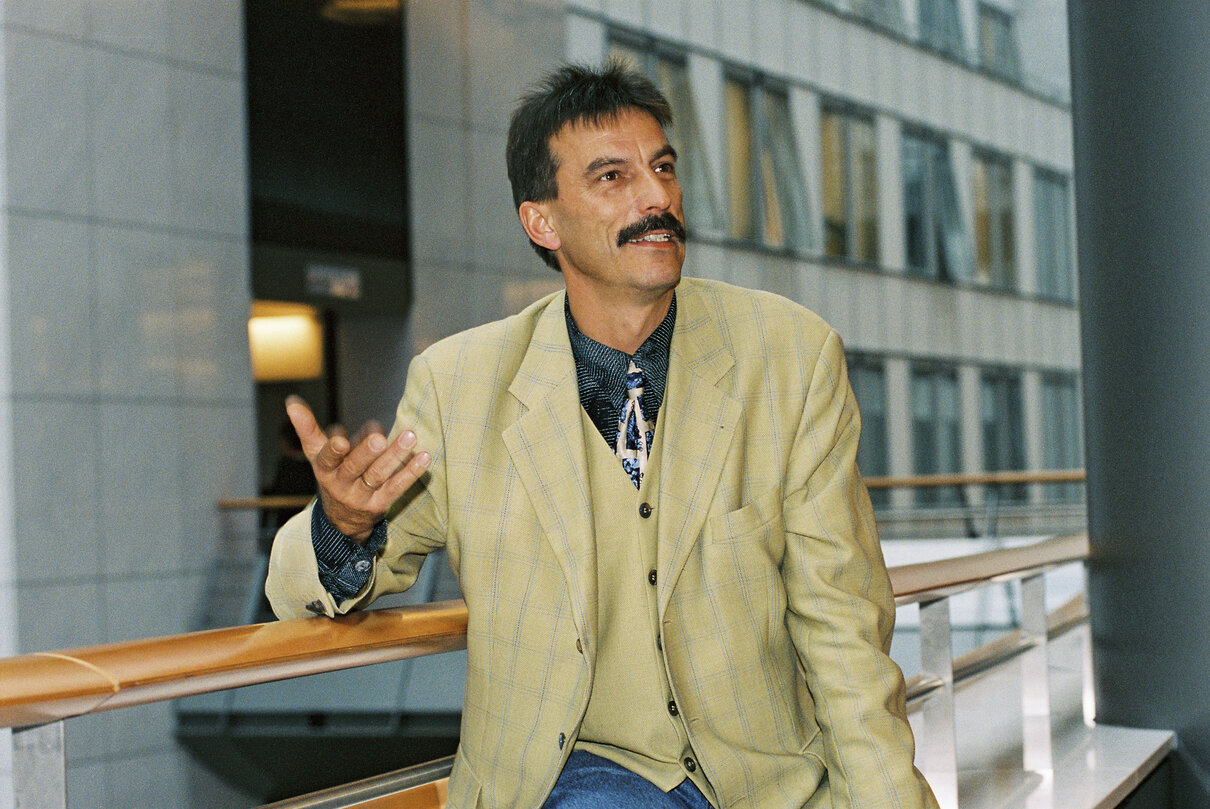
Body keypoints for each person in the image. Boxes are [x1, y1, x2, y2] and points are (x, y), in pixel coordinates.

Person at [267, 62, 938, 809]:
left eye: (663, 168)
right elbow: (314, 589)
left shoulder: (790, 356)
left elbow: (844, 628)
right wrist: (344, 523)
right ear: (542, 221)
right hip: (570, 776)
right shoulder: (459, 385)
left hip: (764, 783)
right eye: (613, 177)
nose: (656, 196)